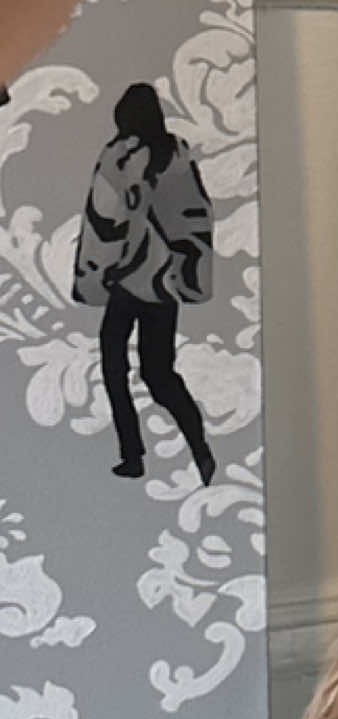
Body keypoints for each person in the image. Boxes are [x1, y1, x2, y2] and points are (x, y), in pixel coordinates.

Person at [73, 82, 216, 484]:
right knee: (159, 374)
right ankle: (200, 448)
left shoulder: (119, 157)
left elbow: (104, 220)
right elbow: (197, 215)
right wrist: (189, 272)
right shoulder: (177, 156)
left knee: (114, 368)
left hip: (126, 279)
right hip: (164, 285)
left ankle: (133, 455)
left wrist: (96, 273)